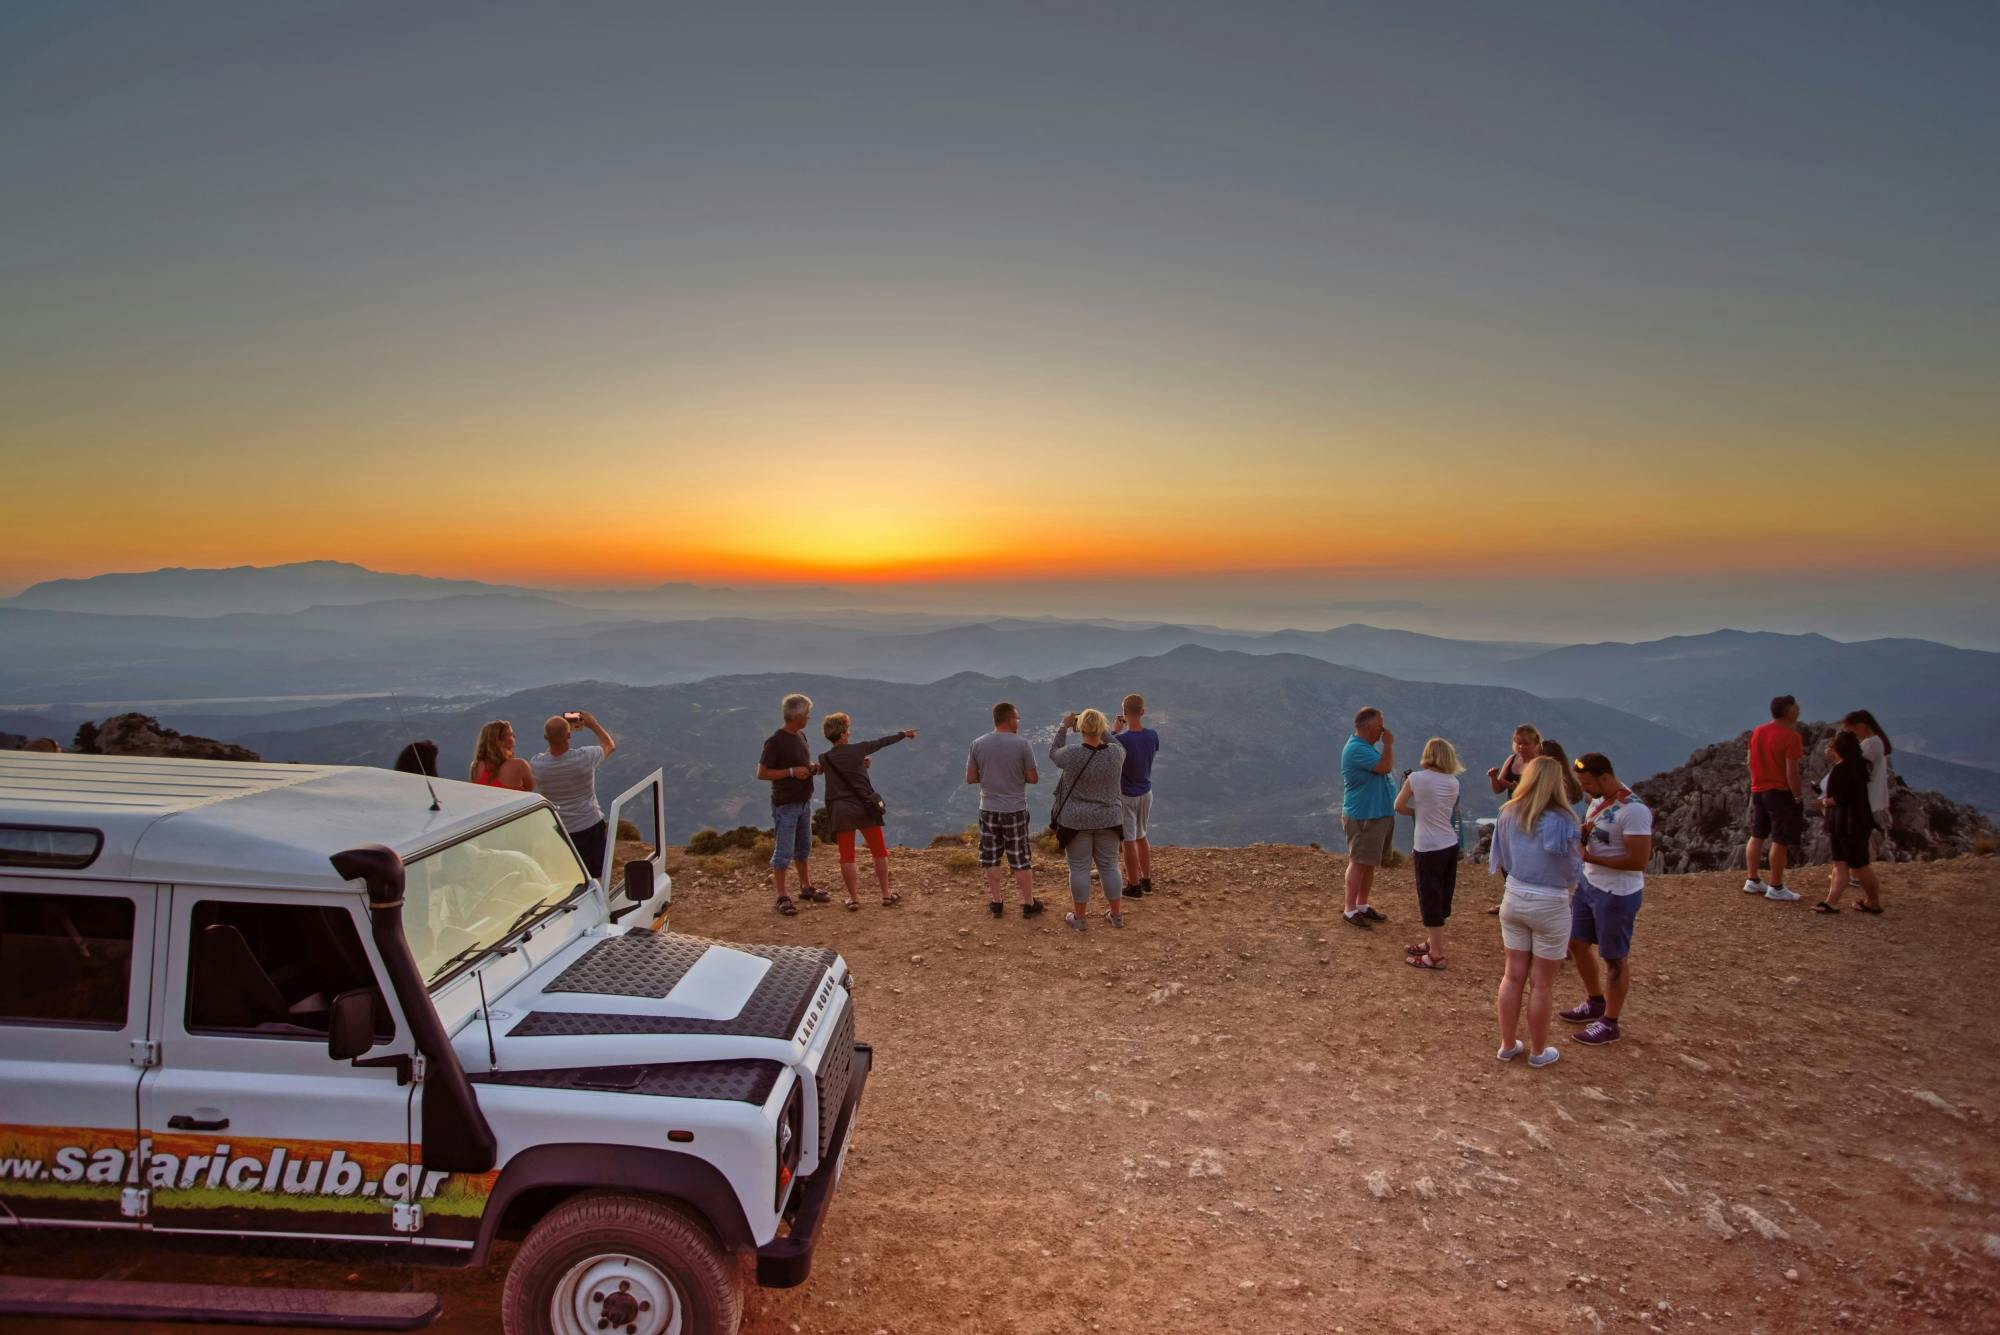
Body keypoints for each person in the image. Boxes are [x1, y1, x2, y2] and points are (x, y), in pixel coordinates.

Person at [1487, 757, 1582, 1069]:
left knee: (1512, 975)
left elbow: (1503, 857)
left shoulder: (1509, 812)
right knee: (1541, 983)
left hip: (1514, 895)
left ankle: (1507, 1044)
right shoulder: (1564, 820)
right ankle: (1538, 1052)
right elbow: (1571, 869)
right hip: (1551, 902)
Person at [1563, 753, 1654, 1046]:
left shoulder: (1634, 811)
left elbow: (1639, 860)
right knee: (1577, 943)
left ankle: (1610, 1022)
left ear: (1604, 777)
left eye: (1587, 783)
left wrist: (1589, 856)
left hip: (1617, 893)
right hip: (1589, 885)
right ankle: (1595, 1001)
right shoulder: (1598, 801)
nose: (1585, 789)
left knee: (1614, 958)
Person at [819, 712, 917, 910]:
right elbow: (882, 742)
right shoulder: (859, 750)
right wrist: (903, 734)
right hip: (865, 807)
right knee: (879, 852)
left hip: (841, 811)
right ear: (844, 733)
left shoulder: (825, 758)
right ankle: (886, 895)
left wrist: (862, 768)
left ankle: (854, 899)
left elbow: (839, 776)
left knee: (846, 856)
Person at [1049, 708, 1127, 931]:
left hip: (1076, 820)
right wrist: (1104, 730)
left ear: (1080, 728)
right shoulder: (1115, 753)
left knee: (1080, 868)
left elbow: (1054, 752)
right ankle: (1116, 915)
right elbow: (1119, 745)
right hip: (1109, 818)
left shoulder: (1073, 753)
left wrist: (1063, 726)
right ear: (1101, 729)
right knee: (1110, 866)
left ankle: (1080, 919)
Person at [967, 701, 1043, 919]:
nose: (1018, 722)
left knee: (991, 857)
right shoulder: (1022, 744)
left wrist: (989, 777)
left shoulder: (977, 744)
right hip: (1015, 809)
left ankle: (997, 902)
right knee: (1020, 858)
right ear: (1010, 719)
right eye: (1017, 718)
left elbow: (971, 778)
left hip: (988, 809)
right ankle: (1028, 904)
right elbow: (1033, 778)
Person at [1395, 737, 1463, 970]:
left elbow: (1399, 806)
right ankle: (1432, 942)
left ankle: (1435, 955)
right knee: (1442, 896)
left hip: (1427, 846)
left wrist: (1417, 809)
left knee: (1429, 897)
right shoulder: (1453, 782)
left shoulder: (1416, 779)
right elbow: (1446, 810)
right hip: (1449, 844)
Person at [757, 693, 824, 915]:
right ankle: (782, 896)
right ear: (797, 715)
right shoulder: (775, 741)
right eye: (807, 714)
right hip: (786, 804)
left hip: (803, 801)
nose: (809, 718)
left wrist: (811, 767)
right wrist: (793, 772)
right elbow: (762, 773)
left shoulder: (801, 736)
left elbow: (801, 763)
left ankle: (806, 887)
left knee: (803, 849)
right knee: (784, 851)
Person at [531, 710, 617, 877]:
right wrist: (593, 724)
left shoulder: (537, 765)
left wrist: (555, 735)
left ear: (545, 738)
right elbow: (609, 746)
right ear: (569, 735)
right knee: (597, 876)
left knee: (569, 878)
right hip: (589, 825)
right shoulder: (585, 757)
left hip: (559, 830)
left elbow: (550, 752)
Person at [1815, 730, 1884, 914]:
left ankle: (1873, 902)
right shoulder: (1858, 766)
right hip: (1853, 822)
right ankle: (1831, 901)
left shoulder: (1841, 770)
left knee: (1857, 865)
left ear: (1838, 749)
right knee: (1844, 863)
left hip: (1846, 823)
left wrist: (1821, 802)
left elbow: (1838, 798)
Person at [1339, 707, 1396, 928]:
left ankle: (1361, 905)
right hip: (1364, 815)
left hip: (1376, 813)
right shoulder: (1356, 749)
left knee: (1369, 862)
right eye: (1380, 726)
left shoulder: (1366, 747)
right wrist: (1388, 744)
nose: (1383, 730)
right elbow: (1384, 767)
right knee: (1358, 861)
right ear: (1369, 727)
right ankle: (1350, 909)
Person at [1744, 695, 1805, 902]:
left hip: (1758, 790)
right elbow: (1792, 773)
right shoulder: (1791, 737)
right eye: (1796, 708)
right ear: (1788, 711)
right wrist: (1797, 795)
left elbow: (1750, 761)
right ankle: (1776, 886)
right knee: (1780, 839)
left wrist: (1756, 783)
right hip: (1779, 792)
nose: (1799, 711)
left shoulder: (1758, 731)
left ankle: (1752, 880)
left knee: (1757, 834)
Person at [1111, 694, 1161, 899]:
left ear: (1124, 714)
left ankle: (1133, 886)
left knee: (1128, 841)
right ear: (1142, 712)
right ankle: (1146, 880)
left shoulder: (1119, 740)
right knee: (1142, 836)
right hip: (1146, 792)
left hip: (1126, 795)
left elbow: (1106, 754)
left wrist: (1114, 730)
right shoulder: (1152, 736)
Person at [1842, 709, 1895, 855]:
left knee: (1858, 841)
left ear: (1860, 725)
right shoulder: (1876, 741)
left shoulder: (1869, 745)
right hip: (1871, 798)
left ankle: (1860, 871)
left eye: (1851, 730)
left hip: (1865, 798)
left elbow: (1853, 770)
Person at [469, 720, 536, 792]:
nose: (514, 736)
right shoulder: (520, 764)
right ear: (500, 739)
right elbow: (529, 791)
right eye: (511, 734)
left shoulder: (475, 765)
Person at [1487, 724, 1542, 796]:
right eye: (1519, 743)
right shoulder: (1511, 759)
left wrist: (1519, 789)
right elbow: (1498, 790)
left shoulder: (1541, 763)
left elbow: (1543, 792)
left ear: (1536, 743)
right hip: (1512, 806)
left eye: (1526, 744)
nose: (1521, 747)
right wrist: (1493, 777)